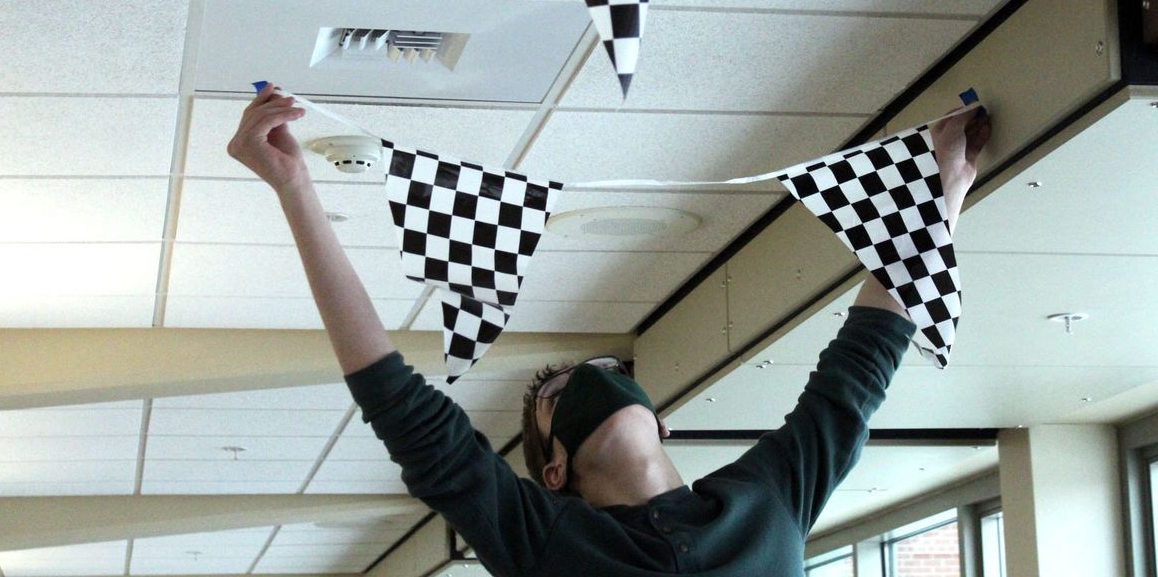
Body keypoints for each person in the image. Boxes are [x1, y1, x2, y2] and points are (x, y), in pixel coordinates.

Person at [228, 85, 992, 575]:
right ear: (552, 472)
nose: (590, 377)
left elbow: (861, 357)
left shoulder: (755, 498)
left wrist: (941, 192)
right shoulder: (560, 536)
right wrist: (295, 190)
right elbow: (396, 400)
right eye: (562, 391)